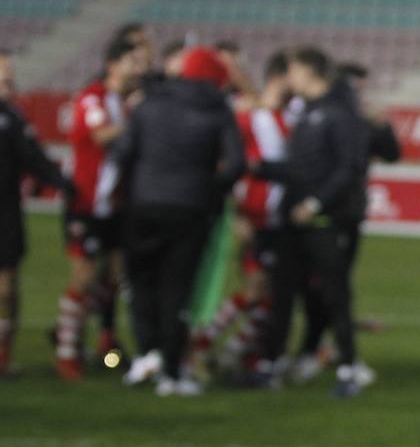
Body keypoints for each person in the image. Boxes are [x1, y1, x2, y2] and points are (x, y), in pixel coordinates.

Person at [115, 47, 244, 396]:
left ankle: (147, 354)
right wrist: (210, 189)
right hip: (190, 210)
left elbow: (123, 154)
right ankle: (172, 372)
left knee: (141, 283)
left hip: (142, 206)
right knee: (177, 289)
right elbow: (235, 164)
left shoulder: (149, 103)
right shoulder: (218, 109)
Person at [252, 48, 368, 397]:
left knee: (335, 295)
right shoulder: (308, 112)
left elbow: (349, 167)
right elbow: (299, 168)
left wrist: (315, 202)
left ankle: (349, 370)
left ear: (309, 71)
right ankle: (271, 366)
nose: (290, 79)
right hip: (294, 220)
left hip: (323, 220)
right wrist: (257, 168)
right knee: (283, 294)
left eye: (294, 71)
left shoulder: (337, 113)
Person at [189, 51, 291, 378]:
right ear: (280, 78)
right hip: (255, 216)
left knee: (270, 293)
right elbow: (228, 162)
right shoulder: (245, 118)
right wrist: (239, 214)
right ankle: (202, 346)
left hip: (279, 220)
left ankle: (238, 353)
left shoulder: (285, 117)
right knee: (255, 289)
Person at [53, 35, 144, 381]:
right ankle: (66, 353)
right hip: (86, 203)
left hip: (115, 206)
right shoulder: (93, 97)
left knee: (115, 275)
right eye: (132, 62)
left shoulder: (123, 101)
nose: (138, 69)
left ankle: (103, 341)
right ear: (113, 65)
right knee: (85, 276)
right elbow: (101, 135)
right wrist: (139, 119)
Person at [0, 50, 73, 377]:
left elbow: (34, 158)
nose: (9, 81)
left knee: (7, 286)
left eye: (10, 76)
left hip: (6, 212)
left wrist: (63, 184)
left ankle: (3, 354)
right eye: (4, 76)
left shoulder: (13, 118)